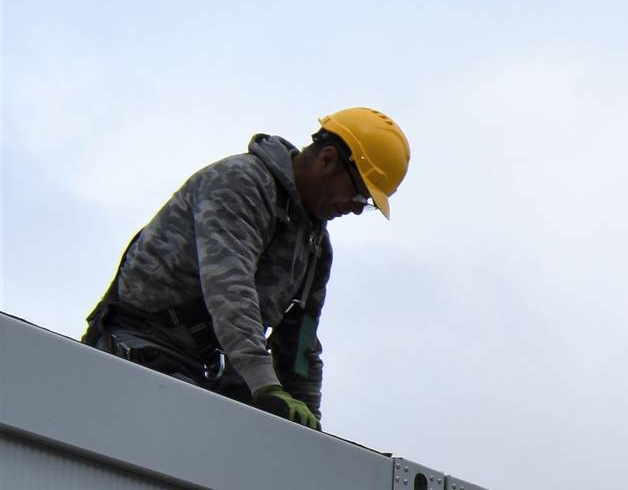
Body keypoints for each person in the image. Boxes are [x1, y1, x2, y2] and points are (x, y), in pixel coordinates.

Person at [81, 108, 411, 428]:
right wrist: (264, 383)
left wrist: (308, 430)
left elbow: (300, 343)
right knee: (183, 438)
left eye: (365, 203)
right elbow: (229, 287)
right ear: (327, 160)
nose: (355, 210)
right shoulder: (242, 183)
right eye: (358, 193)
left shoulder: (315, 248)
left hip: (213, 370)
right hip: (146, 344)